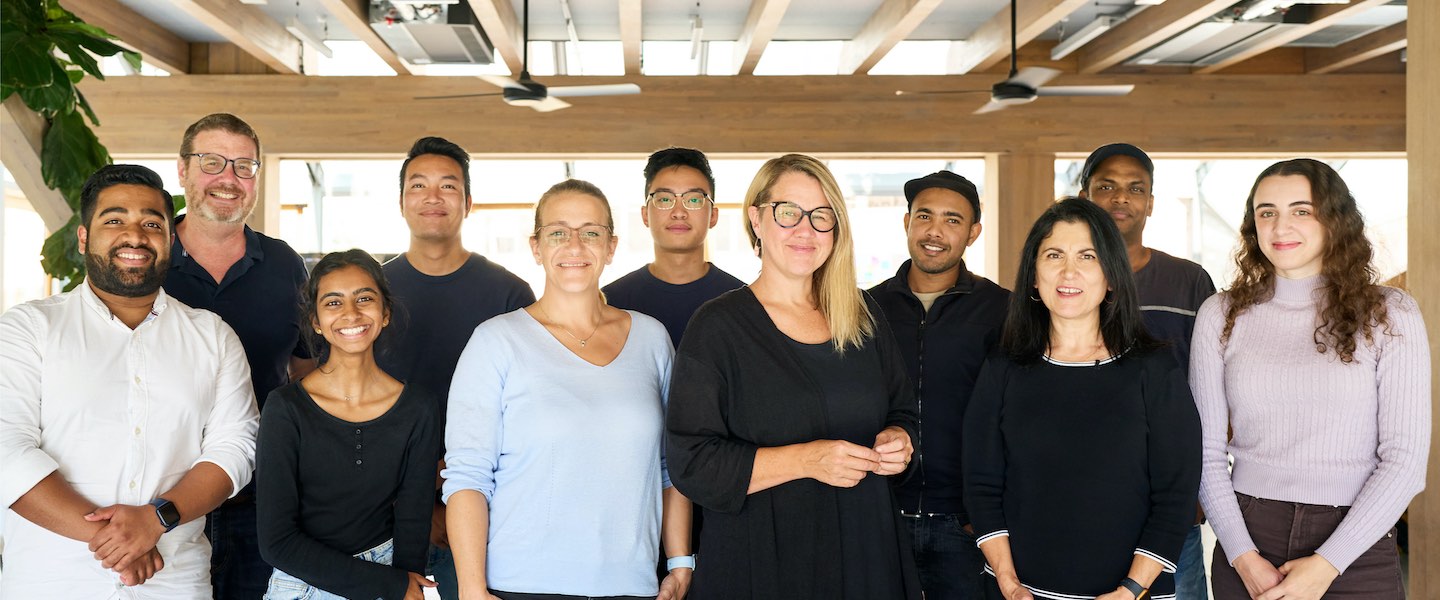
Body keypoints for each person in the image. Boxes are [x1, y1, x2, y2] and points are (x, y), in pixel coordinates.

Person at [666, 154, 921, 600]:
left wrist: (899, 439)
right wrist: (805, 460)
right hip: (763, 564)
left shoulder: (863, 315)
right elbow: (692, 463)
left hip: (866, 555)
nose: (806, 230)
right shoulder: (718, 327)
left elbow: (903, 412)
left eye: (822, 216)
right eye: (789, 212)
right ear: (756, 220)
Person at [1, 164, 259, 597]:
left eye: (152, 223)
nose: (135, 235)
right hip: (51, 579)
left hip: (173, 580)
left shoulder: (212, 336)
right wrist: (118, 539)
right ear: (84, 237)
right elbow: (6, 448)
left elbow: (236, 447)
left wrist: (155, 520)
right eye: (114, 219)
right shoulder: (29, 328)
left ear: (170, 241)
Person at [1192, 159, 1430, 600]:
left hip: (1356, 539)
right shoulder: (1220, 315)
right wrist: (1242, 557)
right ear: (1253, 226)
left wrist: (1327, 565)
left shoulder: (1390, 312)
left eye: (1302, 210)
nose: (1281, 225)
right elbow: (1204, 454)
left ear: (1335, 220)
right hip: (1248, 536)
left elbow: (1405, 461)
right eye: (1267, 212)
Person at [444, 179, 692, 600]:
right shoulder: (495, 341)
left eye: (591, 232)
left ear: (611, 247)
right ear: (536, 247)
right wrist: (471, 590)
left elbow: (672, 465)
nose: (575, 246)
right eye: (558, 232)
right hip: (520, 586)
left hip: (631, 586)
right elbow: (468, 477)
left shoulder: (652, 338)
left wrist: (681, 561)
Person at [963, 197, 1201, 600]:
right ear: (1034, 277)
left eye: (1087, 256)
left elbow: (1176, 495)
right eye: (1053, 255)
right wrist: (1007, 581)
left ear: (1111, 277)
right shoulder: (1003, 366)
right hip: (1019, 592)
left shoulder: (1155, 369)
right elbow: (981, 485)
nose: (1068, 271)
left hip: (1131, 594)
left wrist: (1130, 589)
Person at [164, 113, 314, 599]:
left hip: (261, 497)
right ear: (182, 170)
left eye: (244, 166)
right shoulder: (146, 259)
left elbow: (308, 373)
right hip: (158, 496)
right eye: (212, 162)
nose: (229, 178)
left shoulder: (283, 263)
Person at [377, 136, 535, 599]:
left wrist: (462, 498)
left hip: (491, 507)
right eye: (418, 185)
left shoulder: (510, 294)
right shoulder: (370, 294)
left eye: (448, 186)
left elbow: (528, 409)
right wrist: (418, 500)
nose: (432, 197)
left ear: (468, 203)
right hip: (382, 510)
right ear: (402, 202)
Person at [257, 249, 439, 600]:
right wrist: (390, 587)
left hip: (392, 575)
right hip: (301, 585)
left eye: (364, 298)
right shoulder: (286, 408)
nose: (351, 313)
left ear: (385, 313)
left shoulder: (418, 407)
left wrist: (403, 587)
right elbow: (276, 542)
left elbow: (414, 523)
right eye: (333, 303)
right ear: (315, 321)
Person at [1078, 142, 1216, 599]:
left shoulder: (1189, 280)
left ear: (1151, 203)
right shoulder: (1064, 279)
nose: (1121, 198)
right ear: (1085, 196)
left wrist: (1199, 486)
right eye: (1107, 187)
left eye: (1135, 189)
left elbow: (1211, 389)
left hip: (1170, 492)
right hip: (1085, 492)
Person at [869, 170, 1009, 600]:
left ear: (973, 233)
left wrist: (985, 516)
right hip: (881, 518)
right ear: (907, 222)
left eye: (952, 220)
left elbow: (1017, 418)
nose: (935, 231)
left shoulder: (1003, 309)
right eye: (924, 216)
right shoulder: (864, 308)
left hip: (967, 525)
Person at [603, 147, 745, 348]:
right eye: (665, 200)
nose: (679, 212)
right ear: (645, 215)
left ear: (713, 216)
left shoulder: (744, 303)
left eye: (694, 200)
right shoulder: (610, 302)